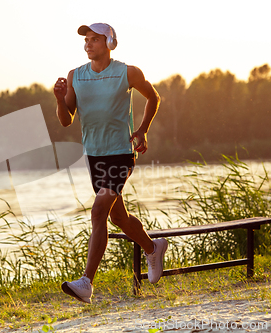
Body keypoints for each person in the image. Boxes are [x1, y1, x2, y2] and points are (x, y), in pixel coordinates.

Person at [54, 23, 168, 304]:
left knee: (98, 212)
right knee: (118, 217)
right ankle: (153, 248)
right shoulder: (75, 76)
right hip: (94, 155)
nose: (88, 44)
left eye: (94, 39)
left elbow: (153, 97)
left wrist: (142, 130)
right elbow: (66, 119)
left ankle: (86, 282)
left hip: (120, 153)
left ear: (110, 42)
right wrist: (59, 99)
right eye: (86, 40)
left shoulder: (127, 72)